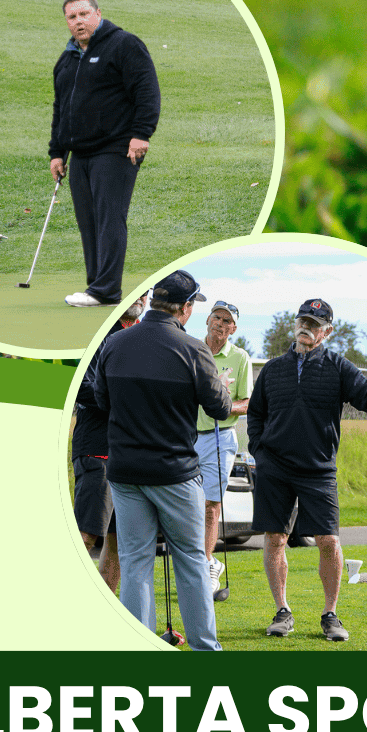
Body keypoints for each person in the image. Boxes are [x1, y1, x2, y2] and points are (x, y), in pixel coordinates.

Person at [247, 297, 367, 642]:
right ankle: (282, 610)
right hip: (274, 466)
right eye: (303, 320)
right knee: (276, 538)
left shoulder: (338, 368)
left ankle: (330, 614)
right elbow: (256, 414)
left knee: (327, 539)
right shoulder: (274, 370)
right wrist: (258, 451)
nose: (306, 327)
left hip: (318, 468)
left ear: (327, 331)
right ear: (296, 324)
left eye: (315, 323)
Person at [88, 270, 232, 652]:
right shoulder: (193, 350)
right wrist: (220, 384)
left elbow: (102, 401)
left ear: (153, 300)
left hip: (125, 472)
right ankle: (205, 650)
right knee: (190, 562)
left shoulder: (115, 343)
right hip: (174, 473)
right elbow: (219, 407)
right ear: (185, 308)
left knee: (135, 563)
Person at [48, 0, 160, 309]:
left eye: (84, 14)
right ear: (67, 22)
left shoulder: (124, 44)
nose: (79, 21)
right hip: (80, 153)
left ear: (98, 13)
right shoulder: (67, 60)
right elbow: (62, 110)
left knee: (110, 217)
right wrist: (57, 152)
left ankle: (107, 290)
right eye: (72, 17)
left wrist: (141, 133)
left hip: (117, 148)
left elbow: (147, 90)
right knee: (89, 220)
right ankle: (95, 286)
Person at [71, 293, 149, 592]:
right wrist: (127, 400)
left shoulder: (144, 337)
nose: (140, 296)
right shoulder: (100, 333)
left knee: (118, 542)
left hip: (129, 454)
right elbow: (82, 386)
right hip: (97, 449)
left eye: (145, 292)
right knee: (85, 536)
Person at [196, 299, 252, 604]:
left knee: (210, 505)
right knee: (187, 504)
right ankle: (200, 563)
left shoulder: (239, 357)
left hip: (220, 436)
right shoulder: (192, 350)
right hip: (186, 436)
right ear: (207, 320)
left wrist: (225, 405)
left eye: (227, 320)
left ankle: (207, 565)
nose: (221, 323)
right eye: (217, 317)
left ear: (233, 328)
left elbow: (248, 402)